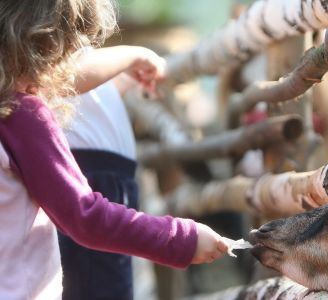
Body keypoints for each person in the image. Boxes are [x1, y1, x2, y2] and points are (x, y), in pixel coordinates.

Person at [0, 1, 228, 299]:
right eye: (68, 50)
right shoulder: (21, 113)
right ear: (42, 43)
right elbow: (86, 217)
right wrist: (181, 238)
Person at [59, 47, 156, 300]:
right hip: (87, 176)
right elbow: (64, 73)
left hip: (99, 175)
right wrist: (135, 55)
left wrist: (115, 83)